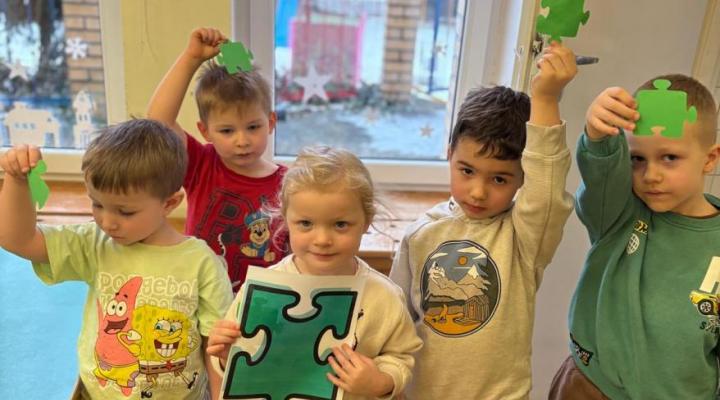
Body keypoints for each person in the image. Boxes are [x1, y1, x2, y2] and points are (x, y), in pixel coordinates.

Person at [388, 42, 577, 399]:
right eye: (467, 170)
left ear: (523, 179)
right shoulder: (421, 232)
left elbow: (547, 188)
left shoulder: (525, 237)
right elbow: (393, 320)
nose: (477, 192)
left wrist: (546, 99)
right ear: (449, 155)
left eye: (499, 179)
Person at [0, 119, 233, 399]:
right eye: (97, 204)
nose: (107, 222)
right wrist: (16, 181)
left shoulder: (201, 263)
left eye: (125, 212)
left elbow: (215, 345)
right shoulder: (94, 242)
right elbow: (19, 240)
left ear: (170, 203)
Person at [549, 74, 720, 399]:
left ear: (709, 159)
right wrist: (597, 137)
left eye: (669, 158)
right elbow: (601, 173)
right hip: (591, 386)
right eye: (637, 159)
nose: (650, 175)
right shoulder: (619, 213)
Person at [207, 146, 423, 399]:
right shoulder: (263, 291)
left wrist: (380, 382)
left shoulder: (384, 296)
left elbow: (401, 356)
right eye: (306, 223)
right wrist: (226, 356)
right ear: (286, 219)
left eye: (340, 224)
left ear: (366, 221)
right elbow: (244, 360)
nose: (322, 240)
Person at [147, 27, 287, 293]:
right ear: (205, 131)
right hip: (201, 294)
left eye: (253, 127)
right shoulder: (201, 165)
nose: (242, 140)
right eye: (227, 131)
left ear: (270, 123)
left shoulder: (289, 184)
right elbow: (158, 121)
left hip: (263, 303)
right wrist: (191, 58)